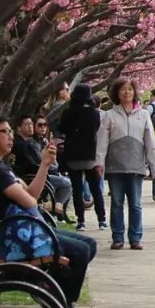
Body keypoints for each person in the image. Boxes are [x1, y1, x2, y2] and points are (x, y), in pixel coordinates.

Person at [0, 116, 97, 308]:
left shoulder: (0, 167)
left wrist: (45, 164)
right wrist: (33, 201)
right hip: (18, 239)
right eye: (4, 132)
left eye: (11, 132)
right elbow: (30, 202)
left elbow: (31, 193)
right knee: (81, 251)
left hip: (24, 231)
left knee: (89, 244)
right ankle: (60, 301)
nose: (10, 137)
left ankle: (49, 288)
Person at [96, 78, 155, 250]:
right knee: (117, 202)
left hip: (136, 166)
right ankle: (117, 237)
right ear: (116, 93)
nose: (127, 92)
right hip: (115, 166)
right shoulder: (109, 115)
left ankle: (135, 238)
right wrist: (99, 163)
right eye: (123, 89)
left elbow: (151, 144)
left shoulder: (144, 115)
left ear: (135, 92)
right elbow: (102, 142)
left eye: (130, 89)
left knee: (135, 203)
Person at [58, 84, 106, 231]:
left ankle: (81, 221)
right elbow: (96, 129)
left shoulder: (68, 112)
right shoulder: (94, 113)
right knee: (95, 188)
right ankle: (102, 219)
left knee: (77, 189)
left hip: (72, 154)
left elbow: (62, 129)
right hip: (89, 154)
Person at [11, 115, 74, 220]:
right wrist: (44, 166)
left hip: (42, 175)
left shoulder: (31, 142)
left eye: (31, 124)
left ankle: (56, 206)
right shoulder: (21, 145)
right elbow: (32, 165)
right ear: (18, 128)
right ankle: (55, 207)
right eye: (27, 124)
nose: (30, 127)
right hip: (32, 179)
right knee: (67, 183)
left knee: (66, 182)